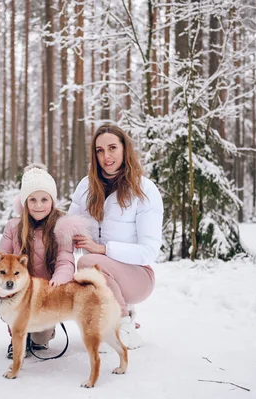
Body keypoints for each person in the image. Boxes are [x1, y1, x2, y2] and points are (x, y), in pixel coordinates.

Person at [68, 123, 163, 349]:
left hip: (138, 277)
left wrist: (102, 249)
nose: (106, 156)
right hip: (103, 276)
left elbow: (149, 251)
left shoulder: (145, 190)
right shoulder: (86, 187)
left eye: (112, 148)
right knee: (86, 268)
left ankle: (123, 323)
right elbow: (68, 230)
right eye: (100, 150)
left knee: (88, 263)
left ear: (124, 149)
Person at [0, 163, 87, 359]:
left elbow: (65, 260)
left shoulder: (61, 227)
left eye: (44, 199)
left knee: (39, 339)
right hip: (18, 290)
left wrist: (61, 279)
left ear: (52, 201)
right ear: (25, 202)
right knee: (10, 307)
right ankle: (17, 337)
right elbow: (0, 257)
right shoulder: (14, 227)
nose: (38, 205)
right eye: (33, 200)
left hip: (45, 293)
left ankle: (42, 334)